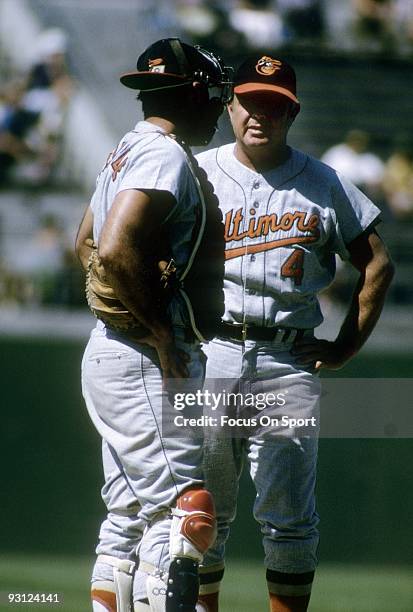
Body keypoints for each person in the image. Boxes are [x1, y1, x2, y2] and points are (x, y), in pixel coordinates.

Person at [195, 54, 394, 612]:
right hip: (210, 350)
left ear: (292, 113)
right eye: (250, 102)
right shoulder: (198, 171)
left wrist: (345, 345)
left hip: (286, 360)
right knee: (203, 509)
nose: (260, 115)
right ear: (230, 106)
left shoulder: (325, 182)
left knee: (288, 516)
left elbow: (377, 263)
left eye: (274, 106)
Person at [75, 37, 231, 612]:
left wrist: (120, 298)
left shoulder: (125, 148)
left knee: (126, 516)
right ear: (191, 92)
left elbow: (84, 243)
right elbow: (113, 248)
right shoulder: (163, 155)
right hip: (145, 355)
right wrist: (159, 332)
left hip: (111, 349)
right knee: (184, 512)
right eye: (214, 95)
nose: (219, 109)